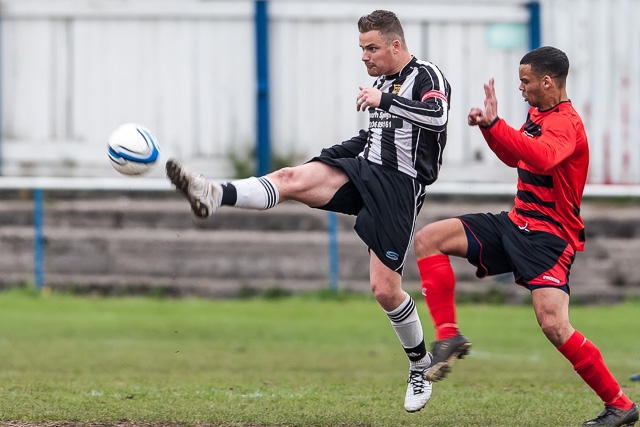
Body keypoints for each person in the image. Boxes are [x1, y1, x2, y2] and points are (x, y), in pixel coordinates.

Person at [166, 10, 451, 413]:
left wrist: (384, 99)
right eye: (361, 49)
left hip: (400, 187)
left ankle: (420, 364)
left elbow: (437, 118)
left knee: (384, 290)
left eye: (371, 48)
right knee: (291, 178)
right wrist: (342, 149)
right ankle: (214, 193)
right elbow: (379, 133)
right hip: (365, 164)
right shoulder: (381, 82)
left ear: (396, 45)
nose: (365, 57)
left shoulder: (427, 76)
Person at [413, 46, 638, 426]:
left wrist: (498, 125)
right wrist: (490, 126)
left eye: (526, 81)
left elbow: (542, 157)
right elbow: (515, 156)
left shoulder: (566, 123)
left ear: (547, 82)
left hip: (549, 238)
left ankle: (620, 405)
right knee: (429, 238)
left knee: (553, 324)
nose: (521, 88)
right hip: (515, 223)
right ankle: (449, 337)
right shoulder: (538, 113)